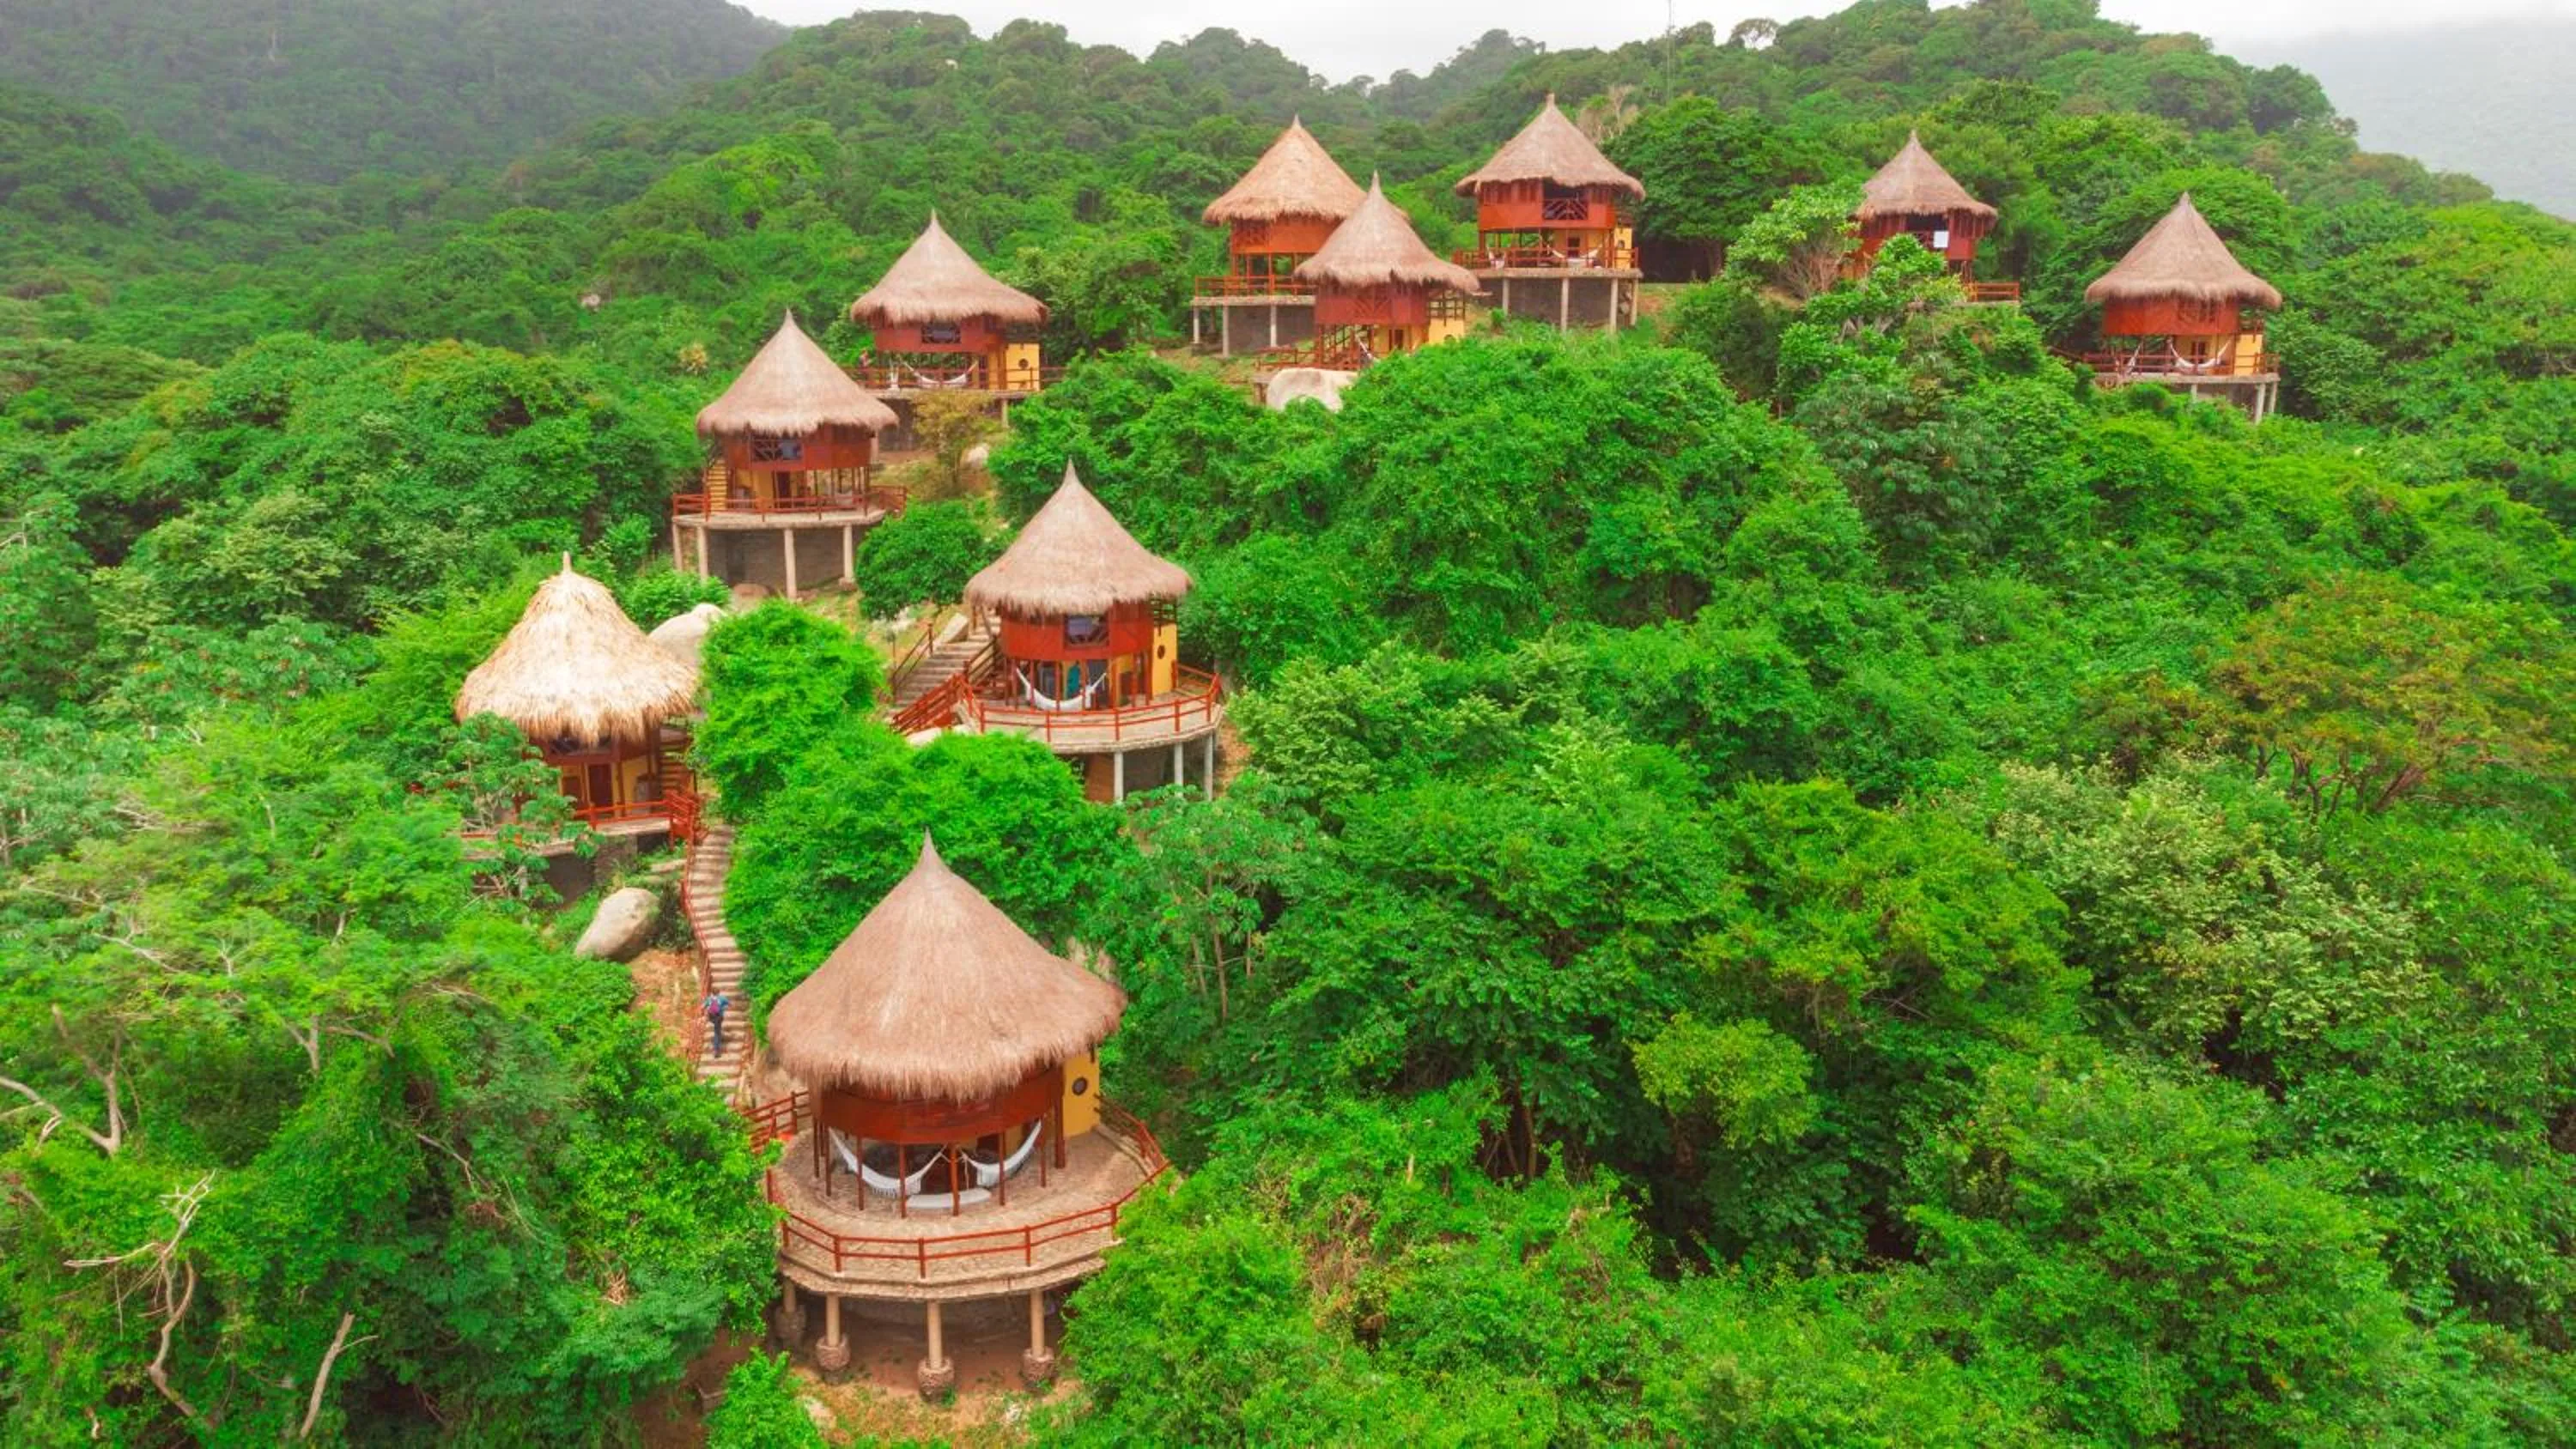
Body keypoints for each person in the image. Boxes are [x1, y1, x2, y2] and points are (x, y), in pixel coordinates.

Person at [703, 990, 731, 1058]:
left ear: (712, 993)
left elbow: (702, 1007)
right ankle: (716, 1051)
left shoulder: (709, 998)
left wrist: (705, 1013)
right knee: (717, 1033)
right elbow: (730, 1005)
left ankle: (716, 1047)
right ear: (719, 992)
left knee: (717, 1030)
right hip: (719, 1017)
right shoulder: (722, 998)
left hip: (711, 1017)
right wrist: (723, 1008)